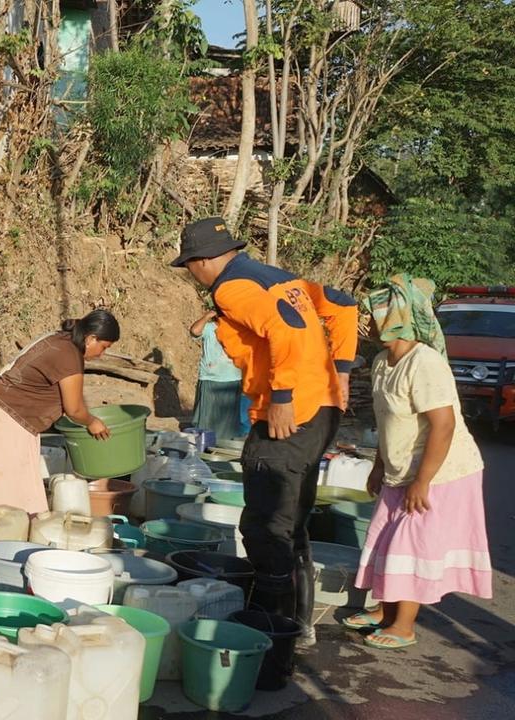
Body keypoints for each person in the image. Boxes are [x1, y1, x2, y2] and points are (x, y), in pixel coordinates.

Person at [172, 217, 358, 646]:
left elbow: (284, 330)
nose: (192, 276)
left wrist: (283, 396)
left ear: (202, 261)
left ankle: (270, 629)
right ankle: (299, 624)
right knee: (291, 519)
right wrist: (342, 371)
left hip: (291, 413)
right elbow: (345, 305)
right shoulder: (280, 278)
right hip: (323, 409)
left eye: (190, 267)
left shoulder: (233, 288)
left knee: (265, 523)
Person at [343, 275, 490, 649]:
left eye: (375, 313)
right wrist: (379, 466)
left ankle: (403, 625)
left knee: (410, 545)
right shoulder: (381, 362)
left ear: (398, 317)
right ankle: (383, 610)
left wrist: (422, 481)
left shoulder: (424, 363)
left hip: (441, 473)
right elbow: (386, 421)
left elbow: (444, 425)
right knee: (385, 539)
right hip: (400, 469)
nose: (369, 321)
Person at [0, 309, 120, 513]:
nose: (102, 354)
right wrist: (92, 422)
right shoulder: (68, 355)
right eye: (104, 347)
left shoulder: (63, 342)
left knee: (22, 497)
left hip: (13, 417)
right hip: (5, 417)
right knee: (5, 500)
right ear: (91, 338)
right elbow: (75, 409)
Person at [189, 308, 250, 443]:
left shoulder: (238, 330)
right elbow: (194, 331)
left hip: (232, 379)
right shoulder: (210, 328)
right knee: (206, 418)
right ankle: (205, 444)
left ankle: (223, 444)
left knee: (228, 421)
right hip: (210, 378)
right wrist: (207, 316)